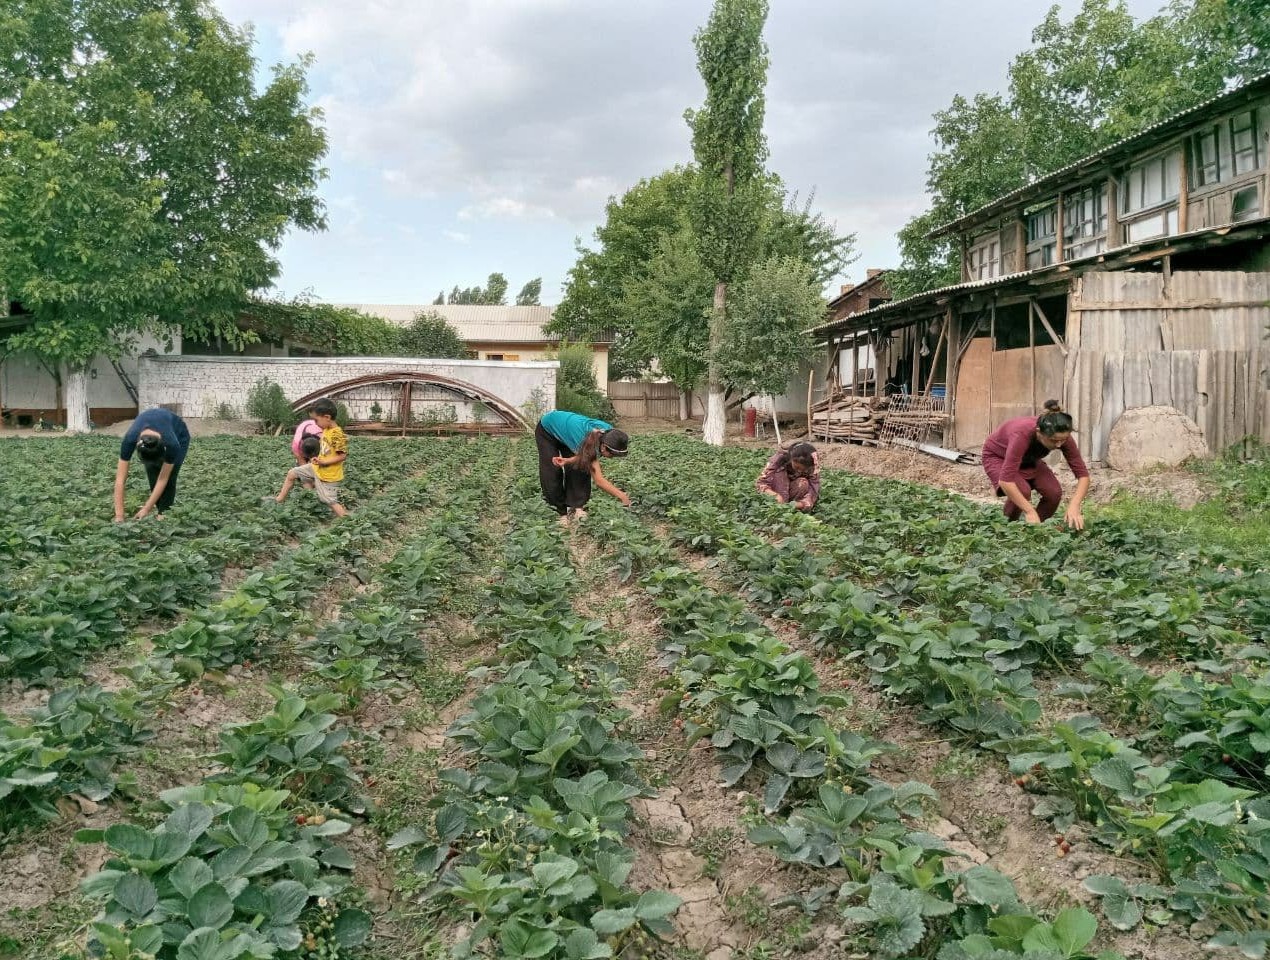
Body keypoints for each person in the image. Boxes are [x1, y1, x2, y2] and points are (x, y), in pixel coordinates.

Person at [981, 399, 1090, 529]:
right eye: (1054, 440)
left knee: (1053, 492)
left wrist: (1074, 505)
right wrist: (1030, 511)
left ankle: (1036, 530)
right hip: (998, 456)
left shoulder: (1061, 436)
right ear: (1038, 432)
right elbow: (1006, 481)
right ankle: (1007, 529)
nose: (1059, 444)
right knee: (1022, 490)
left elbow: (1083, 476)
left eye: (1063, 439)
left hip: (1029, 459)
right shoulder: (1021, 434)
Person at [536, 409, 630, 523]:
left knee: (580, 466)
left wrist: (568, 460)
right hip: (548, 429)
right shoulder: (584, 438)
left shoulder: (609, 434)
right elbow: (599, 480)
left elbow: (584, 457)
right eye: (612, 455)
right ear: (604, 447)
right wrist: (622, 496)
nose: (612, 457)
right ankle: (559, 512)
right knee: (552, 470)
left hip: (570, 431)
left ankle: (577, 507)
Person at [268, 399, 349, 516]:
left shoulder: (336, 434)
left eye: (316, 420)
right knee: (292, 473)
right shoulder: (326, 429)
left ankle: (349, 521)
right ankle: (278, 500)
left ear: (327, 417)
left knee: (329, 501)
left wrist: (324, 461)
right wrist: (318, 459)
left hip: (329, 475)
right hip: (318, 467)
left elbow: (342, 455)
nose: (315, 423)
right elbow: (326, 450)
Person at [114, 407, 191, 521]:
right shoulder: (129, 440)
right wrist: (119, 515)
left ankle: (163, 513)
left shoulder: (172, 445)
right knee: (152, 471)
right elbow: (120, 480)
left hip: (180, 436)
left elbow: (163, 479)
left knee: (170, 476)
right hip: (158, 432)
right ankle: (158, 507)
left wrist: (146, 508)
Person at [756, 442, 821, 512]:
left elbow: (813, 491)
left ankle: (788, 508)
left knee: (803, 482)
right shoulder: (778, 460)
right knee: (779, 474)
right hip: (775, 491)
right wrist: (775, 495)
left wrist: (800, 504)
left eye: (803, 469)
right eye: (797, 467)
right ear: (792, 458)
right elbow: (761, 483)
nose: (799, 471)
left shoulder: (812, 468)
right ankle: (778, 505)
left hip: (793, 494)